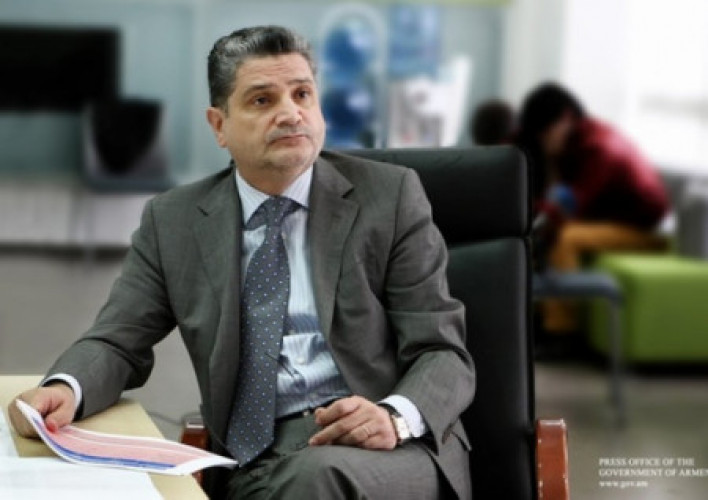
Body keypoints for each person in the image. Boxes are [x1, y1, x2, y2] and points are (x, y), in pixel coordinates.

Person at [7, 25, 475, 499]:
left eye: (302, 94)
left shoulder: (389, 197)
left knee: (314, 478)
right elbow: (118, 341)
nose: (290, 113)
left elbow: (442, 351)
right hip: (250, 461)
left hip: (384, 447)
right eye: (262, 100)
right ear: (219, 126)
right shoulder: (173, 221)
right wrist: (65, 388)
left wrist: (394, 417)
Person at [517, 82, 669, 333]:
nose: (543, 141)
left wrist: (522, 210)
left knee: (564, 237)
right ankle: (535, 315)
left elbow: (566, 207)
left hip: (642, 230)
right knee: (544, 235)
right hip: (611, 219)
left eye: (545, 132)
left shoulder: (599, 148)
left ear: (566, 118)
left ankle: (560, 329)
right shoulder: (578, 141)